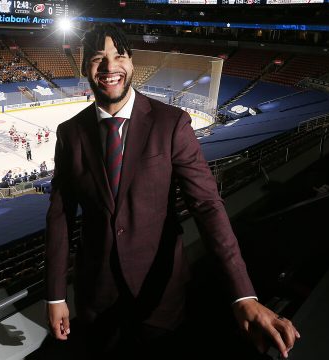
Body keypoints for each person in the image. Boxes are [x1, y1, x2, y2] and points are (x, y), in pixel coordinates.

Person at [45, 24, 299, 359]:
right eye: (97, 59)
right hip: (97, 298)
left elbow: (207, 205)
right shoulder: (70, 133)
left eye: (118, 56)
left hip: (161, 296)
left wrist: (244, 295)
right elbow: (60, 215)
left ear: (132, 62)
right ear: (85, 69)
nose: (109, 67)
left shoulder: (171, 123)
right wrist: (56, 295)